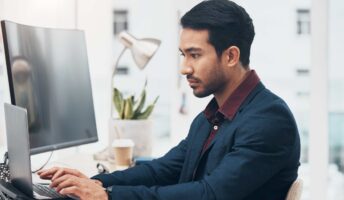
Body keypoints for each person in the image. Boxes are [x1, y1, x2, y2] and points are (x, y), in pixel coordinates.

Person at [38, 0, 300, 199]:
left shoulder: (268, 120)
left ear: (230, 56)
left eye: (194, 55)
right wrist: (96, 183)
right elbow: (164, 169)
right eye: (183, 55)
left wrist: (109, 196)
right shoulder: (213, 116)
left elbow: (210, 194)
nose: (184, 68)